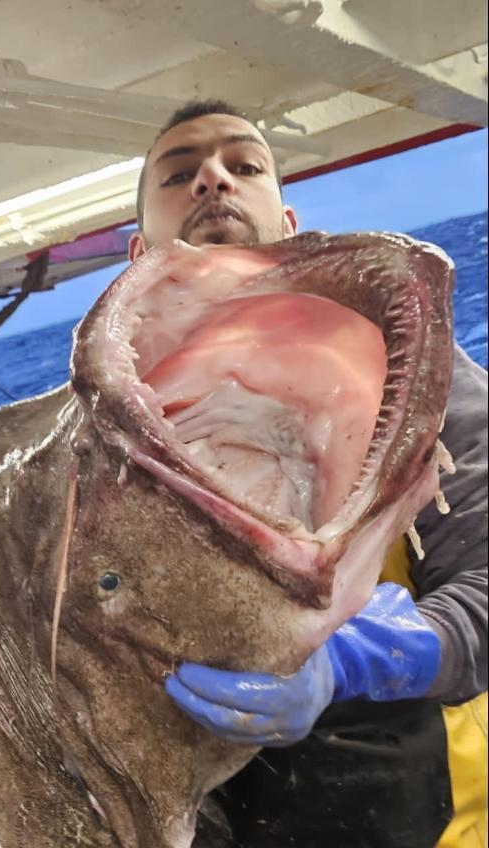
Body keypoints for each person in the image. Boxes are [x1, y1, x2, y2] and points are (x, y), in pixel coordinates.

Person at [130, 100, 487, 848]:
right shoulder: (108, 424)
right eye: (180, 173)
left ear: (290, 226)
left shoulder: (411, 370)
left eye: (244, 165)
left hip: (429, 814)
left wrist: (358, 661)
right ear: (139, 253)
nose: (213, 181)